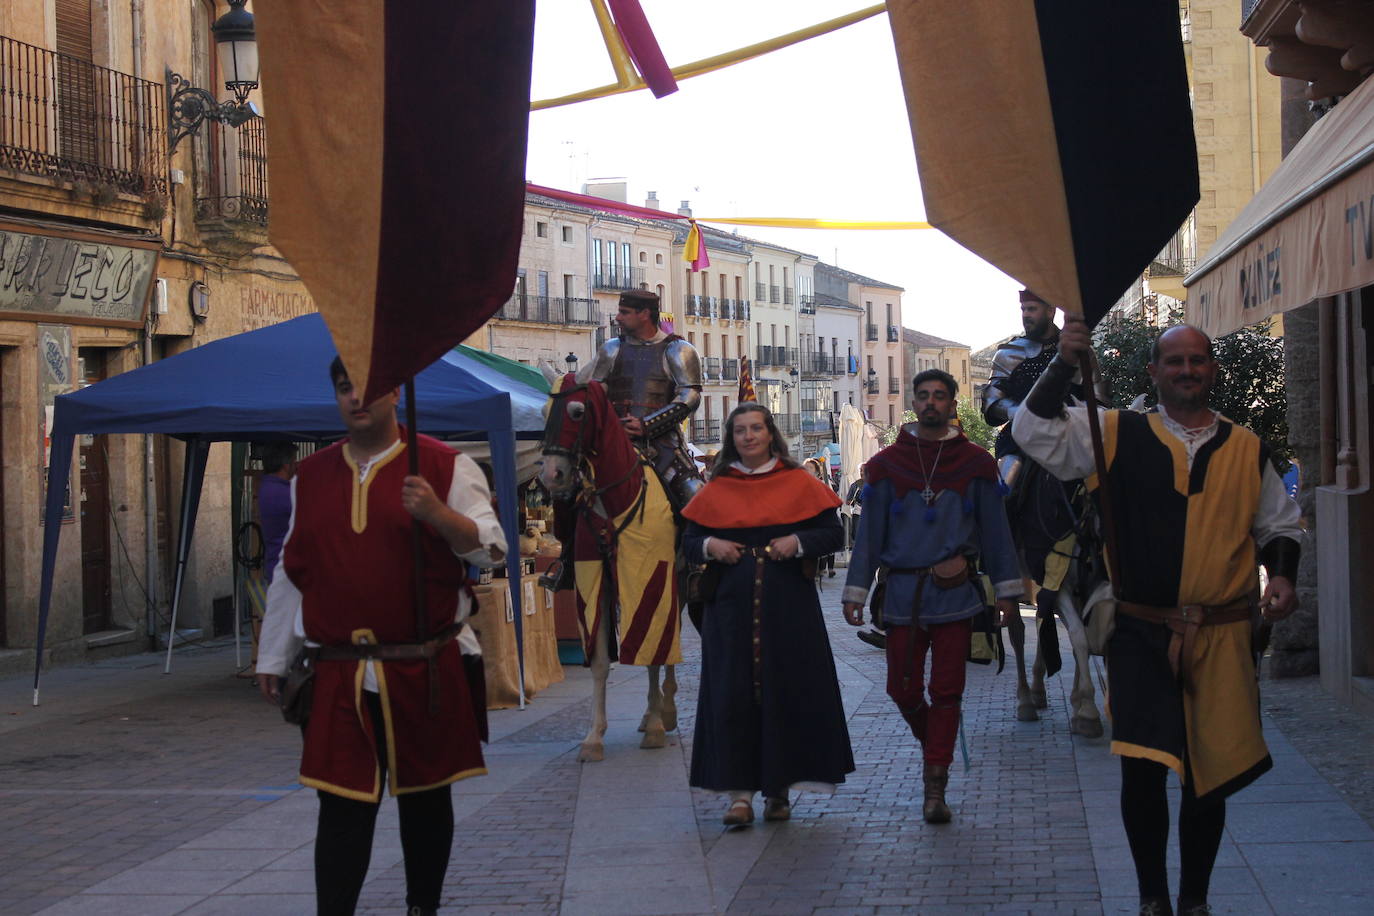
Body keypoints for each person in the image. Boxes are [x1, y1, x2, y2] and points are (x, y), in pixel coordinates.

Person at [1011, 317, 1302, 916]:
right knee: (1143, 769)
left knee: (1209, 773)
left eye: (1197, 360)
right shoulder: (1114, 432)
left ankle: (1194, 900)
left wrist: (1283, 577)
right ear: (1154, 372)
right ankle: (1152, 899)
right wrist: (1063, 361)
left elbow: (1279, 524)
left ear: (1212, 369)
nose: (1187, 370)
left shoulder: (1247, 447)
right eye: (1175, 361)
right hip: (1141, 631)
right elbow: (1032, 432)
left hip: (1221, 635)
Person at [256, 356, 505, 916]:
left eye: (368, 387)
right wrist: (273, 656)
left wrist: (437, 513)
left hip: (423, 666)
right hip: (339, 673)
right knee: (341, 806)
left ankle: (422, 909)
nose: (356, 398)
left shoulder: (445, 465)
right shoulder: (311, 476)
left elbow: (491, 550)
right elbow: (294, 571)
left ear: (395, 393)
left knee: (425, 803)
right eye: (345, 387)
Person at [843, 369, 1022, 823]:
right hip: (902, 593)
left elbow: (996, 533)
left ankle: (935, 784)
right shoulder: (887, 465)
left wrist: (1006, 592)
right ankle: (937, 746)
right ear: (914, 402)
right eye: (923, 395)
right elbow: (869, 535)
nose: (930, 403)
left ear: (953, 405)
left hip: (954, 594)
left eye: (939, 396)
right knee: (901, 689)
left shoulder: (975, 463)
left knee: (947, 691)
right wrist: (855, 590)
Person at [682, 402, 854, 826]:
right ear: (732, 438)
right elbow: (690, 541)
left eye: (756, 428)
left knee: (786, 693)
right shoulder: (719, 486)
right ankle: (739, 797)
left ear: (770, 433)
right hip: (729, 609)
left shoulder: (798, 481)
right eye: (740, 430)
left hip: (788, 607)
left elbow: (832, 533)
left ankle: (779, 791)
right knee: (731, 695)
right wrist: (712, 546)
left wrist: (798, 542)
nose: (749, 436)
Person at [983, 289, 1096, 686]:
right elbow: (992, 403)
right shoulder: (1008, 353)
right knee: (1002, 494)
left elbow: (1097, 396)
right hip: (1021, 441)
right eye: (1023, 309)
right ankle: (1003, 570)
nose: (1027, 315)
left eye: (1032, 308)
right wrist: (1029, 414)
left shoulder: (1079, 349)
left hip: (1069, 438)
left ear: (1051, 309)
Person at [583, 288, 704, 509]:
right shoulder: (611, 349)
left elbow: (690, 397)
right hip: (613, 442)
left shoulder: (677, 350)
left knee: (695, 494)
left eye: (624, 312)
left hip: (662, 448)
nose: (618, 318)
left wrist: (646, 425)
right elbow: (596, 394)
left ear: (645, 314)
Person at [258, 442, 297, 585]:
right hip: (287, 571)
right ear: (286, 465)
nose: (296, 466)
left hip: (276, 565)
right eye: (294, 461)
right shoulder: (284, 493)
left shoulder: (267, 487)